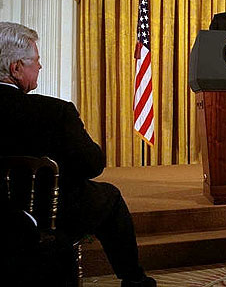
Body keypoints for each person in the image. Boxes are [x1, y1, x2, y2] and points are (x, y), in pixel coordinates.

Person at [0, 22, 156, 287]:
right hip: (44, 214)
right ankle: (135, 281)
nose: (40, 67)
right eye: (36, 61)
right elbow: (92, 164)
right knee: (110, 196)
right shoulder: (54, 112)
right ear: (16, 68)